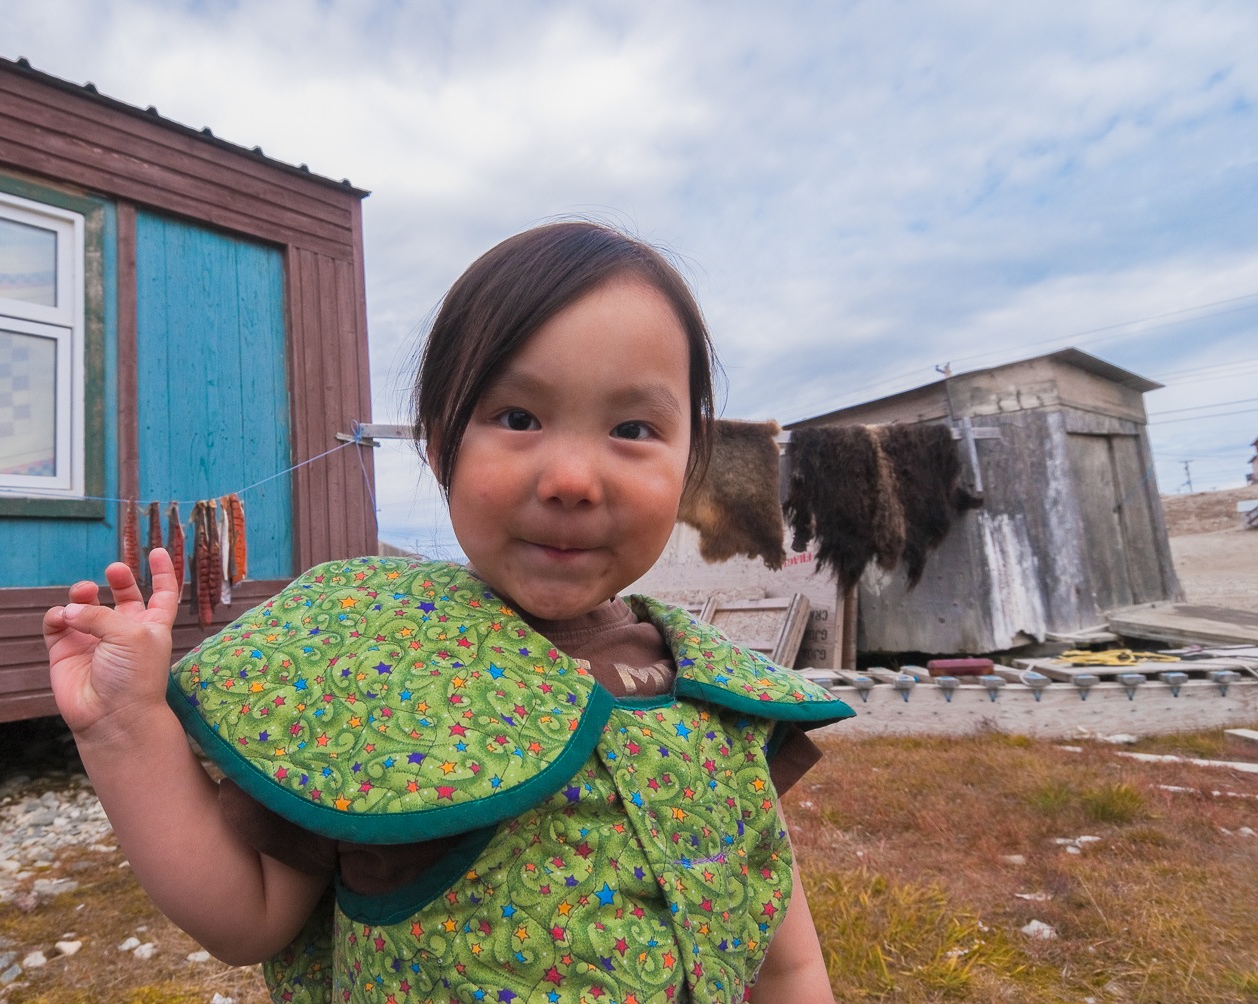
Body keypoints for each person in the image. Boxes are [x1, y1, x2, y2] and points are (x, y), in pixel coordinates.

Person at [43, 221, 854, 1003]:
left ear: (689, 465)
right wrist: (126, 732)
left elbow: (783, 964)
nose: (571, 476)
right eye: (518, 418)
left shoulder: (718, 699)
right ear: (440, 445)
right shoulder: (359, 664)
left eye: (633, 428)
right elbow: (246, 917)